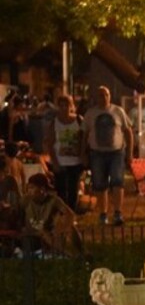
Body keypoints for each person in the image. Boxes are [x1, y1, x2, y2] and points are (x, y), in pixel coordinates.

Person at [79, 86, 133, 226]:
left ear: (110, 96)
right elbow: (84, 134)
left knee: (117, 182)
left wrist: (130, 153)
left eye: (106, 95)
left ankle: (117, 213)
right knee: (99, 184)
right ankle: (103, 214)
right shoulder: (91, 114)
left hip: (116, 152)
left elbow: (128, 131)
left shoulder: (118, 111)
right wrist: (83, 153)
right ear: (96, 97)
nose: (104, 98)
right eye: (101, 95)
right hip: (97, 153)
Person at [21, 173, 81, 257]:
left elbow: (70, 214)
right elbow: (16, 215)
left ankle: (82, 252)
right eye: (28, 188)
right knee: (42, 233)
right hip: (31, 236)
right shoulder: (25, 200)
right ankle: (68, 255)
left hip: (50, 234)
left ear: (42, 189)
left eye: (32, 188)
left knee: (72, 228)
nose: (29, 191)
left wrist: (61, 227)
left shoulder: (53, 200)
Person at [44, 95, 83, 211]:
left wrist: (82, 155)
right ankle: (62, 213)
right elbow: (50, 144)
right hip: (60, 161)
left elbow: (84, 139)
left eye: (66, 105)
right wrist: (55, 162)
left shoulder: (78, 120)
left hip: (75, 161)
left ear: (71, 106)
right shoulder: (54, 123)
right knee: (61, 190)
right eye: (61, 106)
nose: (64, 108)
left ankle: (71, 213)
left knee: (73, 190)